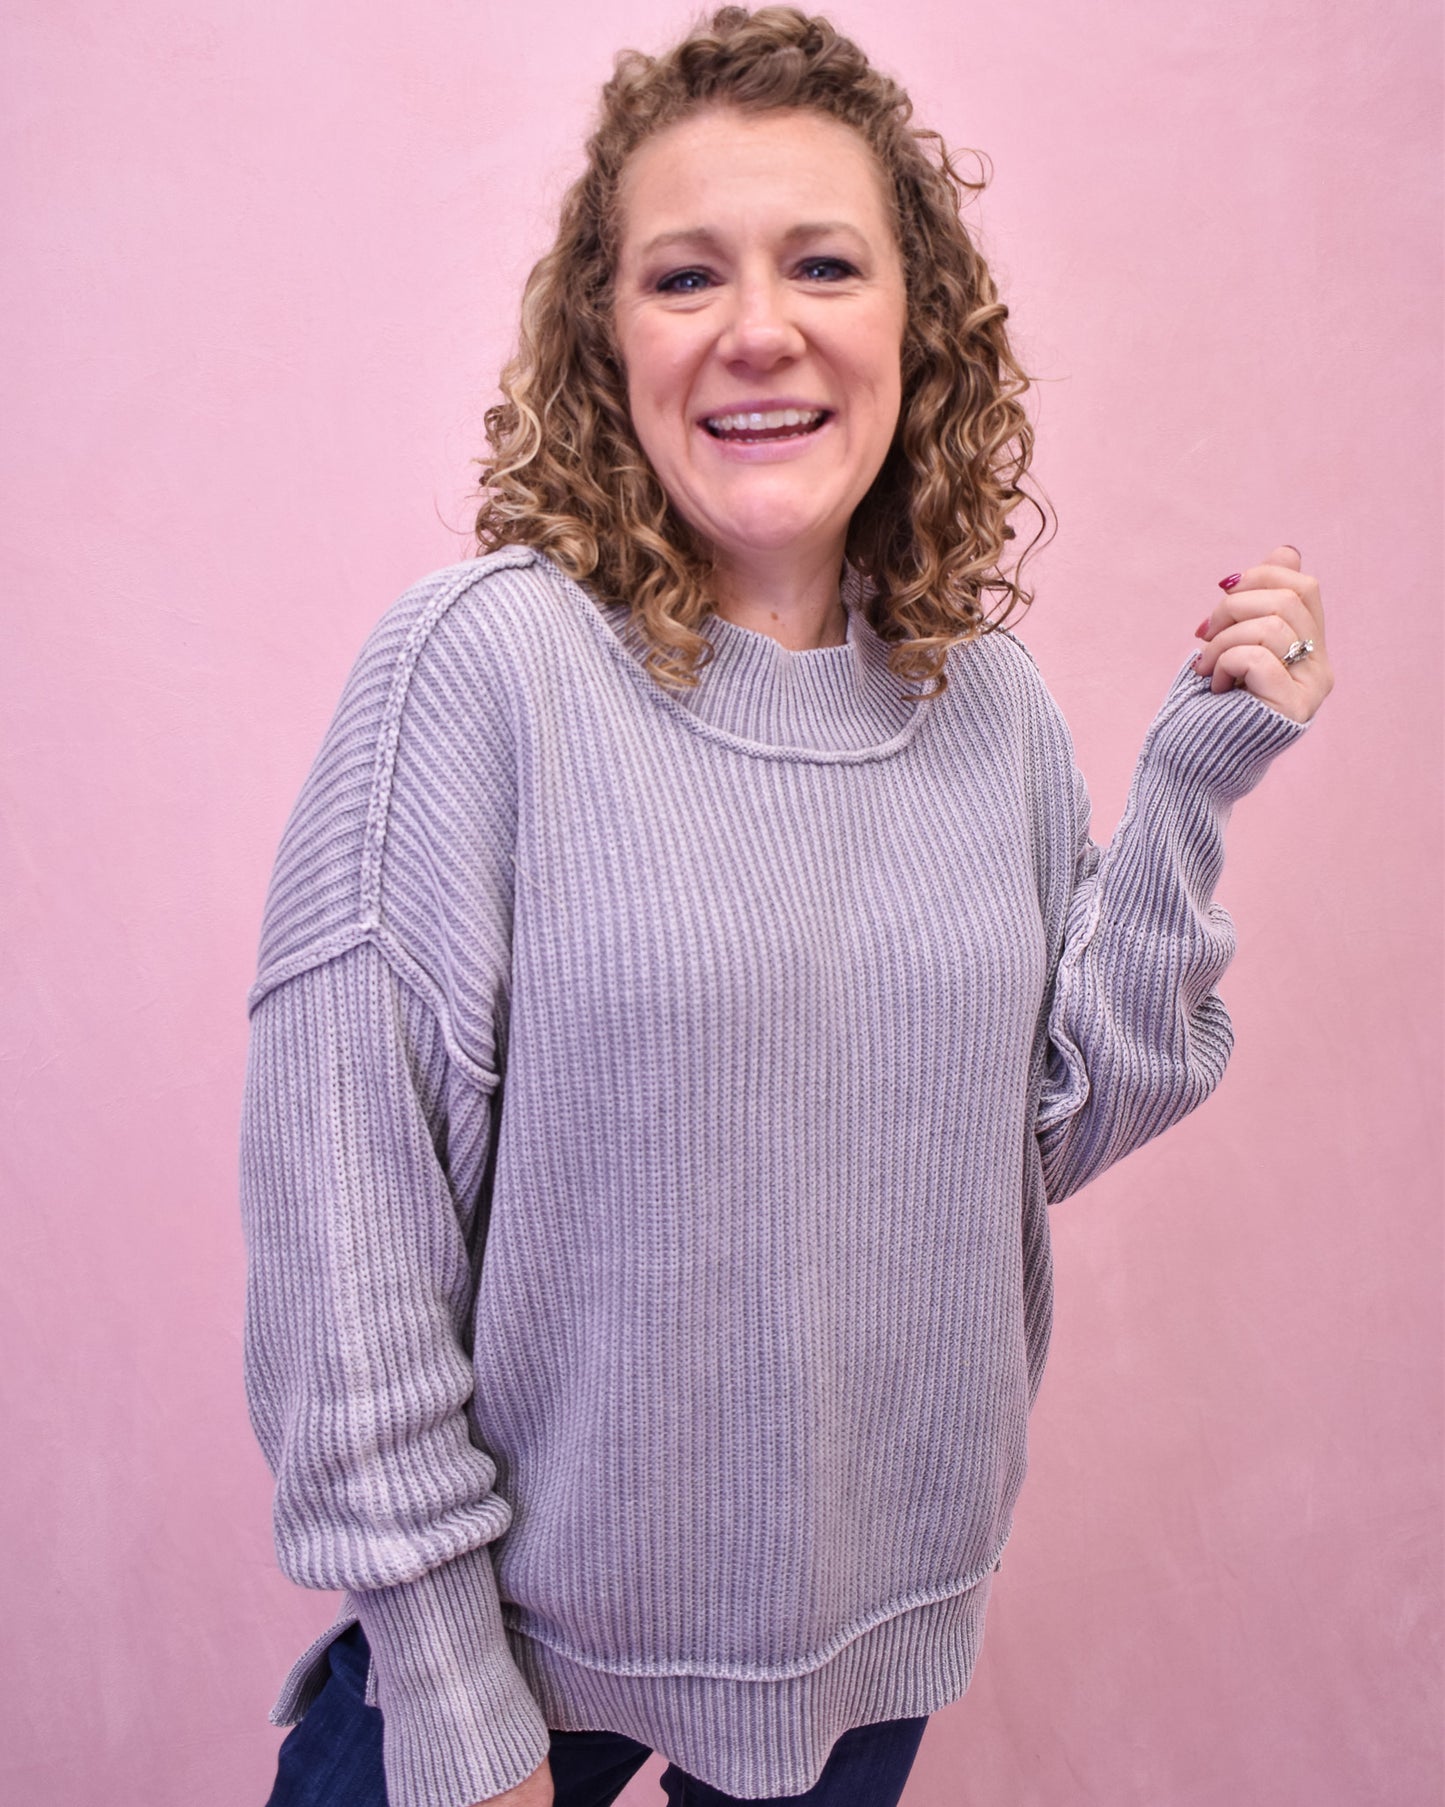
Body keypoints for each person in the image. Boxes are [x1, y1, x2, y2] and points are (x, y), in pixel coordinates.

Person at [238, 9, 1333, 1807]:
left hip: (866, 1664)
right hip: (506, 1693)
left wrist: (1197, 782)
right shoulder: (478, 673)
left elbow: (1049, 1122)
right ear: (607, 338)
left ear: (918, 325)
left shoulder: (985, 709)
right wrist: (454, 1710)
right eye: (685, 275)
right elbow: (346, 1248)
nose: (760, 327)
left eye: (822, 262)